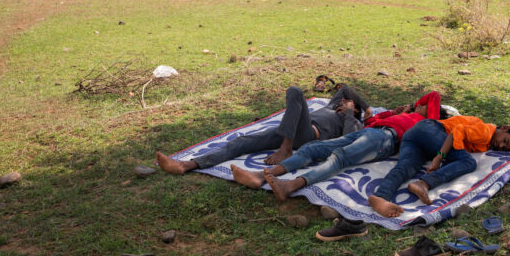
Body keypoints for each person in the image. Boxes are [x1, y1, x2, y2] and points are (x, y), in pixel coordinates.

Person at [230, 92, 443, 200]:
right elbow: (371, 121)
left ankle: (291, 185)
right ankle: (261, 175)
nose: (419, 103)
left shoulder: (427, 122)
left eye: (421, 103)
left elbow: (433, 95)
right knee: (311, 148)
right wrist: (397, 112)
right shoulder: (404, 116)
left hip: (385, 139)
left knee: (339, 156)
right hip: (369, 132)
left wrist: (415, 107)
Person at [155, 84, 370, 174]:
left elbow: (348, 140)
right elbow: (345, 88)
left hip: (307, 136)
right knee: (242, 142)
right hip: (291, 129)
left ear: (354, 109)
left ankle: (286, 148)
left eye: (348, 103)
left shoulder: (352, 121)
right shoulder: (333, 105)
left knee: (295, 91)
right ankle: (187, 165)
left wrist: (351, 112)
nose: (343, 102)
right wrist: (368, 106)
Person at [367, 116, 510, 217]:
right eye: (504, 140)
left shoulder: (488, 140)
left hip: (415, 136)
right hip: (431, 130)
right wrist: (439, 157)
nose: (500, 145)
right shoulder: (486, 131)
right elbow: (456, 132)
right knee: (468, 162)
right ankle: (424, 183)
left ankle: (381, 197)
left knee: (405, 167)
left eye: (504, 148)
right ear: (504, 128)